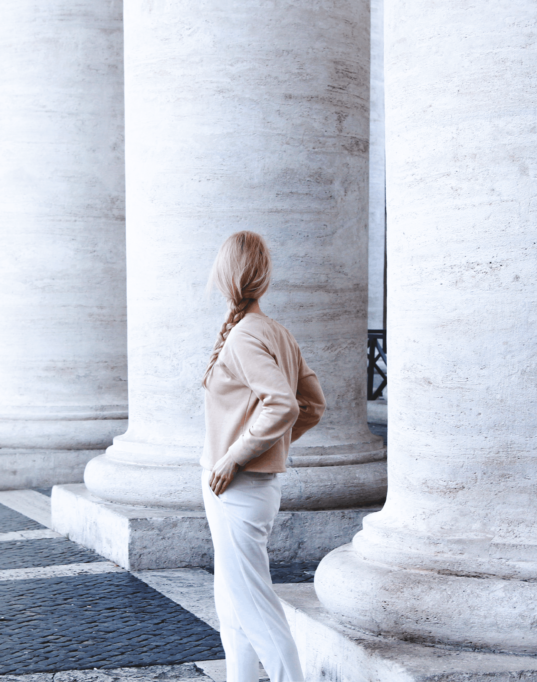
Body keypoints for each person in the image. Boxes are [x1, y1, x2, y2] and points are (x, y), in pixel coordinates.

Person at [200, 230, 326, 682]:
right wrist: (272, 447)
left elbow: (286, 405)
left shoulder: (244, 338)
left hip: (237, 486)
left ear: (224, 276)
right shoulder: (277, 333)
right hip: (240, 487)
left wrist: (238, 455)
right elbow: (313, 405)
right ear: (263, 279)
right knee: (232, 605)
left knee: (254, 609)